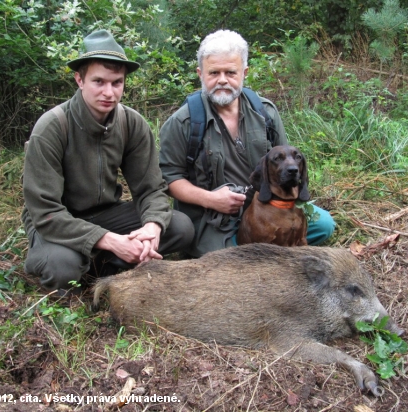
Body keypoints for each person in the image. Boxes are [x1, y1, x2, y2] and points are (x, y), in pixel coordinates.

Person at [22, 30, 194, 294]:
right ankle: (96, 261)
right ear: (79, 79)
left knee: (180, 227)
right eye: (98, 81)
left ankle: (101, 263)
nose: (109, 92)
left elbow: (151, 190)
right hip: (60, 223)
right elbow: (46, 213)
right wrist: (111, 241)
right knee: (62, 267)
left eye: (117, 83)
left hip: (106, 214)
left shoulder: (131, 123)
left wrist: (151, 227)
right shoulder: (52, 127)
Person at [159, 29, 335, 258]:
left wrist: (295, 202)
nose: (222, 80)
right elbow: (170, 179)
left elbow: (285, 163)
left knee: (324, 226)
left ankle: (273, 250)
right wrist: (212, 200)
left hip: (268, 207)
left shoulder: (265, 112)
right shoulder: (182, 122)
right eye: (214, 73)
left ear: (244, 72)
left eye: (230, 72)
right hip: (213, 218)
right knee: (236, 260)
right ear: (200, 74)